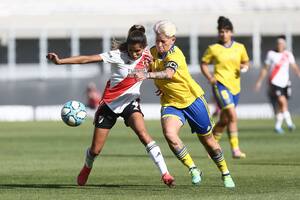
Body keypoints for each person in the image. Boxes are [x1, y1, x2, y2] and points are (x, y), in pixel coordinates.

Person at [46, 25, 175, 187]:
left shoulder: (148, 55)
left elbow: (160, 71)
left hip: (131, 102)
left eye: (137, 51)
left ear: (143, 48)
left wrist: (161, 87)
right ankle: (87, 167)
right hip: (110, 105)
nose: (134, 54)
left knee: (144, 135)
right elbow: (86, 59)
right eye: (131, 50)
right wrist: (59, 62)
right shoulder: (116, 56)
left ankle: (166, 174)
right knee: (96, 150)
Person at [132, 20, 235, 188]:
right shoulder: (151, 52)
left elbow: (169, 73)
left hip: (192, 100)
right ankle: (193, 169)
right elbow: (149, 68)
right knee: (170, 134)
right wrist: (159, 84)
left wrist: (149, 76)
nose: (159, 44)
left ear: (172, 40)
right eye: (157, 40)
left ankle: (225, 172)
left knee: (208, 141)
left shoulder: (176, 54)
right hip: (171, 103)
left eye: (163, 41)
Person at [200, 16, 249, 159]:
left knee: (225, 120)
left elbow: (246, 62)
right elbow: (204, 63)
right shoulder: (213, 49)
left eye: (226, 31)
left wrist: (244, 67)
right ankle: (236, 150)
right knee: (233, 116)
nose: (224, 34)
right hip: (220, 85)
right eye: (221, 31)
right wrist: (210, 77)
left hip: (235, 87)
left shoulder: (240, 48)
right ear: (218, 33)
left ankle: (211, 147)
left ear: (231, 32)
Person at [255, 35, 300, 134]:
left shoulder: (288, 54)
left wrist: (298, 73)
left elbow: (294, 66)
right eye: (278, 44)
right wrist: (259, 82)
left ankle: (277, 126)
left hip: (286, 83)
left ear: (284, 45)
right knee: (282, 101)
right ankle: (289, 123)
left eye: (281, 44)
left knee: (281, 106)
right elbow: (265, 69)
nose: (279, 45)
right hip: (274, 82)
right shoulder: (271, 54)